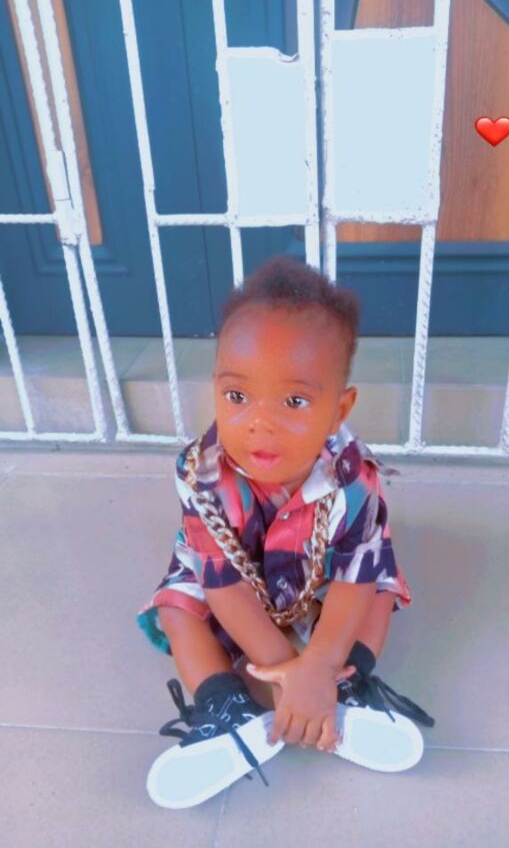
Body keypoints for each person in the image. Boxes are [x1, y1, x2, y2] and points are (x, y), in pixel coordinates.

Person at [137, 255, 435, 809]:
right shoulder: (200, 475)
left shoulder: (355, 480)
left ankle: (347, 684)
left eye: (295, 401)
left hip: (320, 579)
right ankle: (225, 708)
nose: (260, 422)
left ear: (339, 410)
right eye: (237, 396)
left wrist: (320, 664)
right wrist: (289, 674)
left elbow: (353, 578)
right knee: (178, 606)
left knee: (379, 588)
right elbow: (224, 587)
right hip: (235, 587)